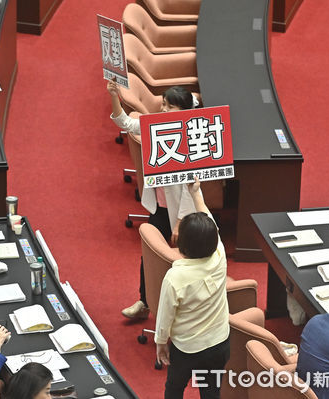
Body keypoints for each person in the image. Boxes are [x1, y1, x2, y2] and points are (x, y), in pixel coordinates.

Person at [107, 79, 197, 319]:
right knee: (150, 255)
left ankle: (182, 312)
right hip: (159, 208)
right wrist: (114, 95)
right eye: (164, 104)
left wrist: (179, 222)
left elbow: (190, 189)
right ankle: (144, 302)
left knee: (183, 263)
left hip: (183, 214)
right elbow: (124, 122)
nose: (164, 110)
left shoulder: (192, 136)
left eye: (170, 107)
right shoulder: (155, 126)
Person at [154, 177, 230, 399]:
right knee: (211, 391)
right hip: (219, 342)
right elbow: (209, 220)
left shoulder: (176, 277)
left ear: (182, 244)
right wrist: (196, 193)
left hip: (187, 348)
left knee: (175, 389)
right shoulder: (219, 255)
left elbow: (165, 316)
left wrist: (160, 343)